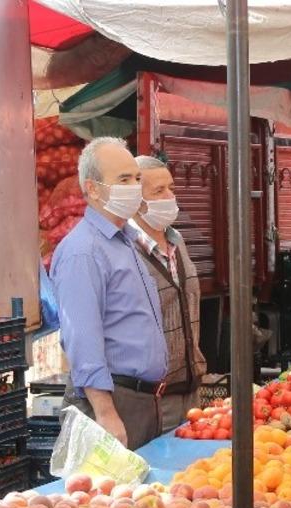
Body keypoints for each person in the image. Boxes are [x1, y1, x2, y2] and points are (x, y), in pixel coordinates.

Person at [48, 137, 168, 450]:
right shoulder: (83, 251)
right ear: (93, 189)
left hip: (142, 401)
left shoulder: (126, 241)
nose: (134, 187)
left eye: (137, 178)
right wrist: (105, 413)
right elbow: (82, 339)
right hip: (111, 403)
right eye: (123, 180)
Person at [128, 155, 206, 430]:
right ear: (135, 201)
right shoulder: (125, 250)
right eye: (159, 191)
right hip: (152, 398)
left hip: (190, 389)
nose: (170, 197)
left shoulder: (177, 241)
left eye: (171, 188)